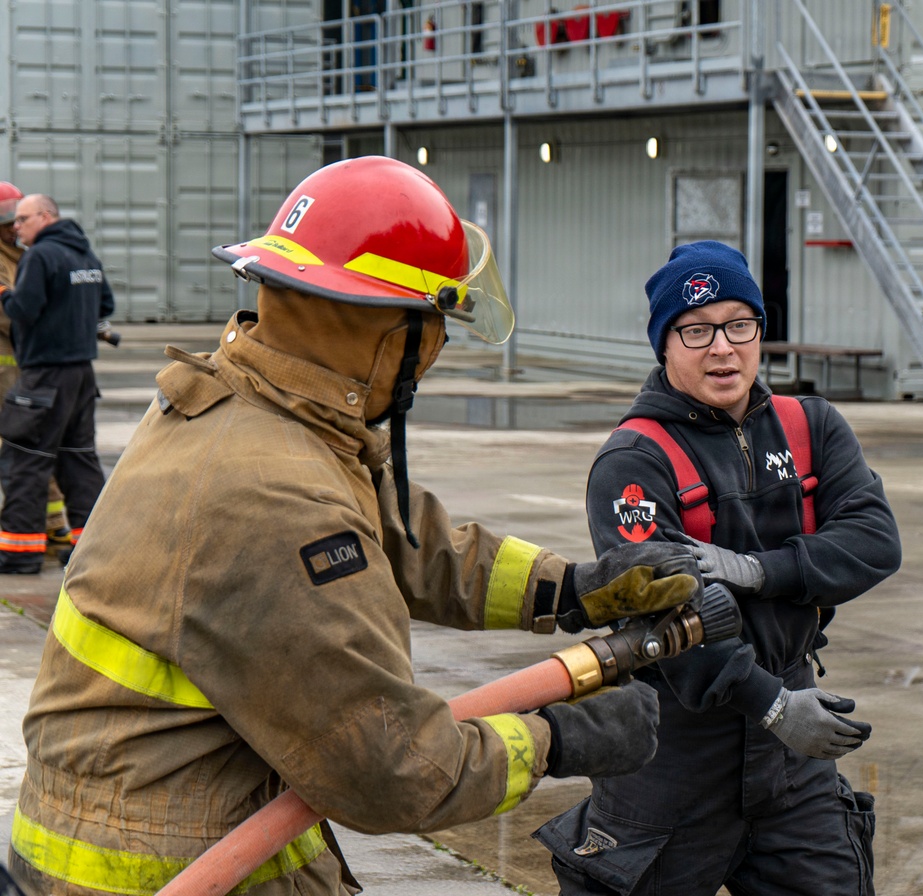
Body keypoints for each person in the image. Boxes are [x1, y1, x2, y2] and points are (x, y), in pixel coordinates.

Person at [7, 157, 707, 895]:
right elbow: (391, 766)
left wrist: (573, 590)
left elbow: (406, 537)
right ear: (382, 332)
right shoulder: (277, 498)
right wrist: (558, 738)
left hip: (142, 826)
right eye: (433, 326)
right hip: (165, 870)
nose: (436, 351)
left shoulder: (253, 403)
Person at [535, 240, 902, 895]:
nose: (723, 348)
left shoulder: (810, 427)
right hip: (672, 755)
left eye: (739, 325)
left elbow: (875, 542)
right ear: (665, 345)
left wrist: (761, 571)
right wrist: (771, 706)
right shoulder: (634, 461)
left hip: (794, 760)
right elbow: (665, 617)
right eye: (697, 330)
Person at [0, 194, 113, 574]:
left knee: (25, 458)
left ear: (46, 217)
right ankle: (90, 549)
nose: (16, 227)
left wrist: (4, 294)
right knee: (79, 460)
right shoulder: (85, 254)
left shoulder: (41, 255)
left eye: (23, 219)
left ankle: (19, 553)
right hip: (81, 376)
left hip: (44, 376)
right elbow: (105, 305)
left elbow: (23, 310)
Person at [0, 182, 73, 556]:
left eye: (17, 221)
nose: (14, 229)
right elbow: (12, 317)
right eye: (8, 224)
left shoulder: (25, 257)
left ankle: (50, 523)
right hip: (8, 373)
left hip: (27, 369)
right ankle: (40, 527)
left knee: (33, 446)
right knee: (22, 448)